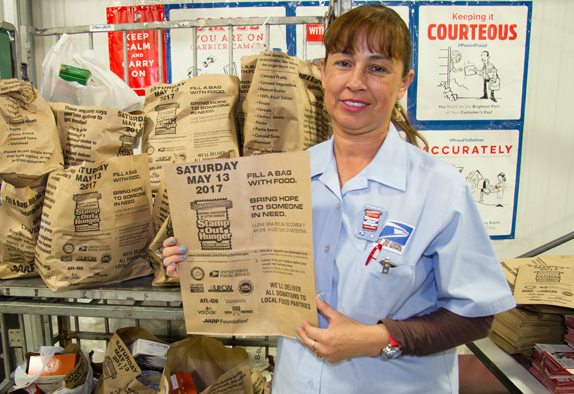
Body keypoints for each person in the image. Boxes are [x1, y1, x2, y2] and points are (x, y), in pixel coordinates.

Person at [162, 4, 515, 392]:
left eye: (377, 68)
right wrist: (200, 261)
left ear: (403, 83)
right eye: (344, 63)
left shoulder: (440, 189)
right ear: (324, 71)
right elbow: (256, 275)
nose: (356, 81)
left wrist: (377, 339)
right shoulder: (284, 176)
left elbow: (476, 316)